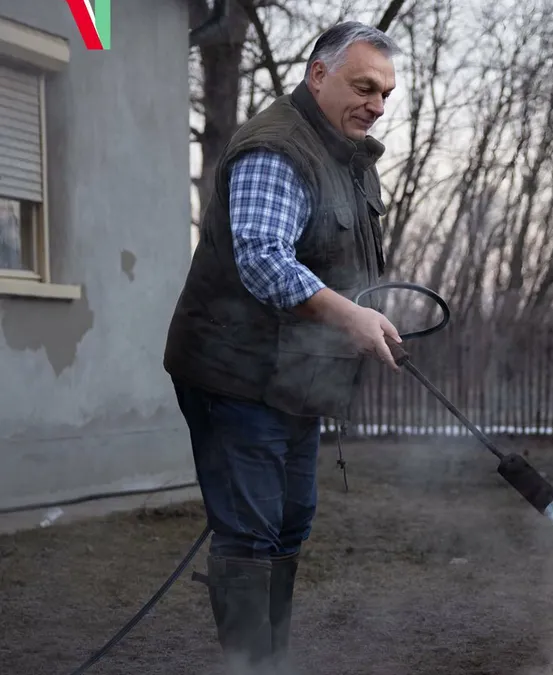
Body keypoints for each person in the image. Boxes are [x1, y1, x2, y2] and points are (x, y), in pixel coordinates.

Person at [162, 21, 403, 670]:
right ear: (318, 76)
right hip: (233, 374)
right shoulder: (277, 148)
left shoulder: (349, 159)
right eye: (363, 86)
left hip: (294, 378)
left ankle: (269, 660)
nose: (377, 103)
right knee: (251, 531)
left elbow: (334, 258)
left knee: (291, 521)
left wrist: (359, 314)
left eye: (385, 92)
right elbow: (264, 260)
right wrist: (348, 314)